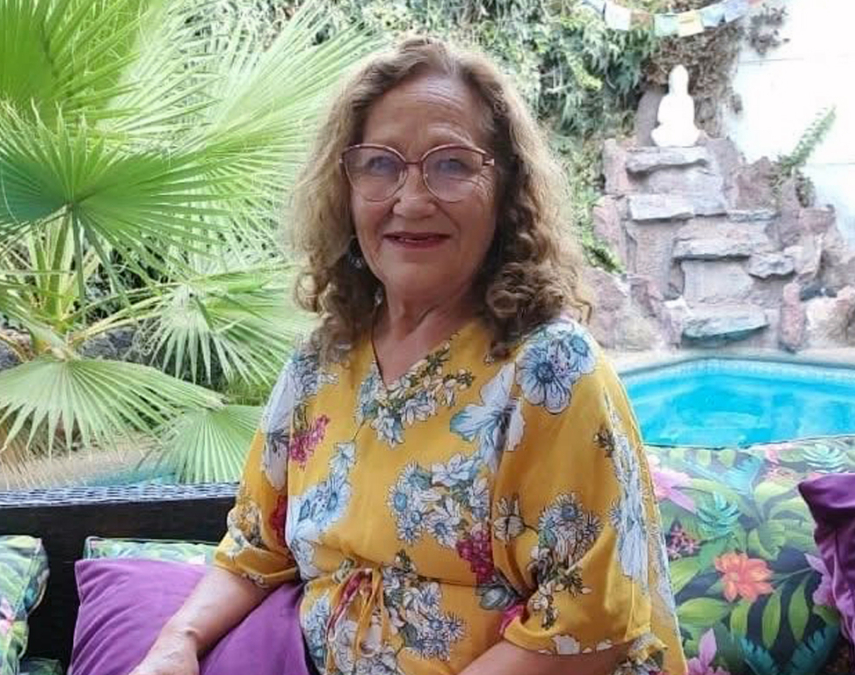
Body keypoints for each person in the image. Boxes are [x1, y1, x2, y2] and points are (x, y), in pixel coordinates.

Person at [131, 36, 687, 675]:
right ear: (344, 189)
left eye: (452, 164)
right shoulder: (320, 363)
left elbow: (590, 626)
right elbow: (257, 547)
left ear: (505, 189)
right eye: (380, 164)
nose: (413, 199)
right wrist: (177, 641)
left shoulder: (550, 371)